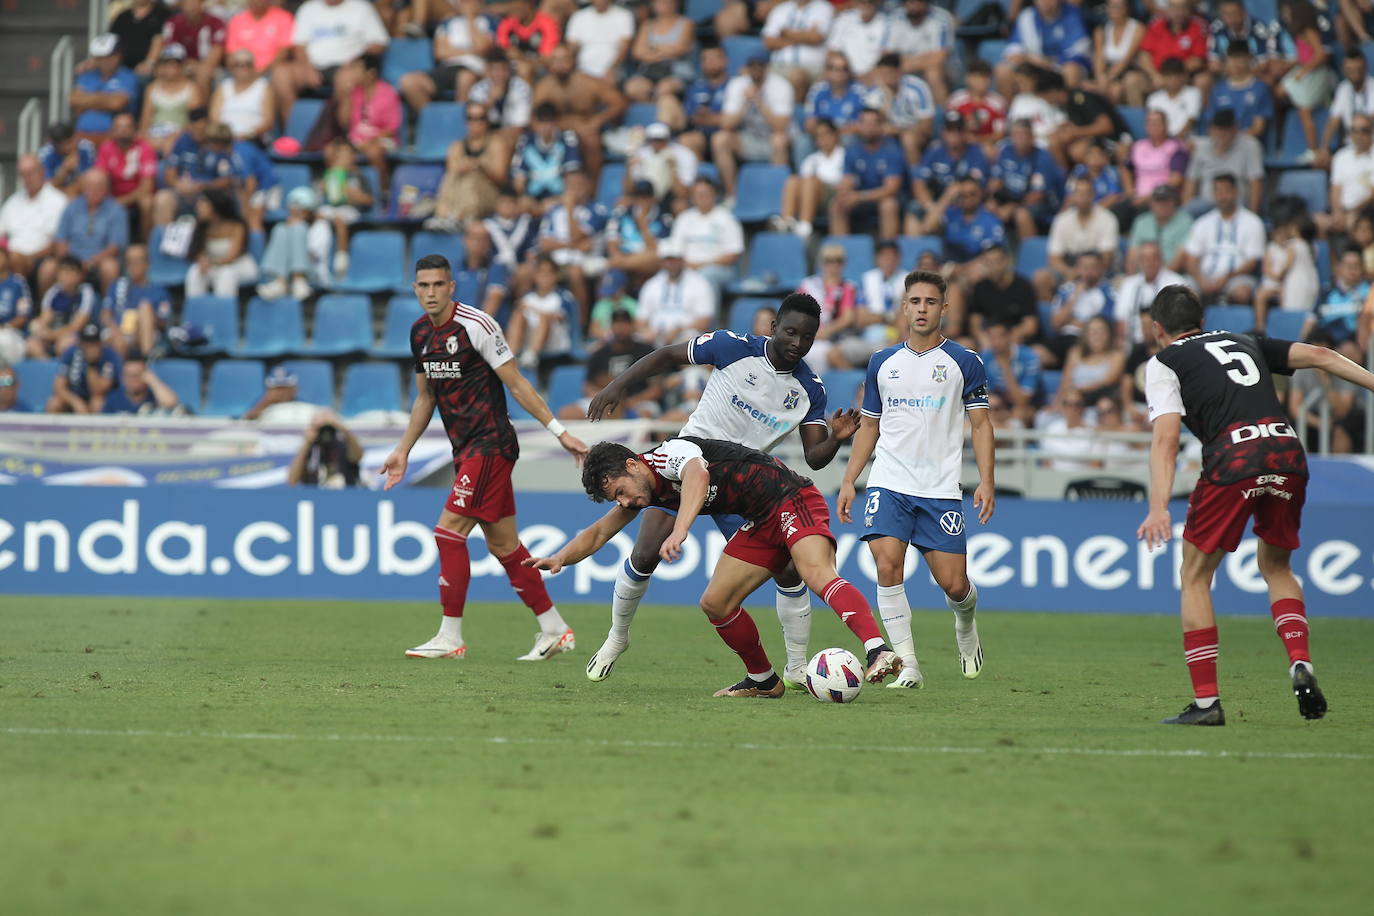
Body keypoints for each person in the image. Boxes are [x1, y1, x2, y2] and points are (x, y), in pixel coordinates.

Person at [580, 293, 865, 688]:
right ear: (773, 328)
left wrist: (835, 438)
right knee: (645, 552)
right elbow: (666, 356)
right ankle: (616, 638)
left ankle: (796, 667)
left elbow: (815, 457)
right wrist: (617, 387)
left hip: (741, 485)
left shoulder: (809, 389)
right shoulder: (733, 347)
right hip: (684, 465)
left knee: (787, 567)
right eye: (791, 332)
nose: (797, 343)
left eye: (808, 336)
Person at [1137, 284, 1374, 725]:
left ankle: (1207, 704)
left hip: (1234, 457)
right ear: (1202, 322)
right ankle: (1299, 660)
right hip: (1287, 451)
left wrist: (1158, 506)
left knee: (1194, 576)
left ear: (1156, 329)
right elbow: (1322, 356)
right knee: (1278, 567)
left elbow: (1166, 439)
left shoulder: (1164, 362)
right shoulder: (1244, 341)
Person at [531, 427, 900, 698]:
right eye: (618, 499)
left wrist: (680, 529)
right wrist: (561, 557)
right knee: (715, 602)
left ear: (632, 464)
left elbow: (698, 474)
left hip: (791, 497)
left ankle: (877, 649)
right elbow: (598, 533)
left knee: (816, 573)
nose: (624, 503)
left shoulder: (666, 456)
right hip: (759, 521)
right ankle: (763, 680)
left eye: (621, 492)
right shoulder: (641, 489)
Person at [381, 254, 589, 662]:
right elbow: (426, 397)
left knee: (447, 533)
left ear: (452, 286)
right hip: (466, 450)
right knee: (505, 545)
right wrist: (402, 450)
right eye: (423, 286)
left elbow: (517, 383)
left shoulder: (477, 325)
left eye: (438, 285)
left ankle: (449, 637)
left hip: (491, 444)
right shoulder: (420, 333)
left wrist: (559, 432)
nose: (431, 293)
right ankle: (554, 629)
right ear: (415, 290)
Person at [837, 269, 996, 688]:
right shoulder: (881, 362)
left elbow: (980, 425)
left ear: (943, 308)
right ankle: (909, 664)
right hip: (889, 482)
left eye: (930, 302)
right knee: (887, 566)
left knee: (954, 584)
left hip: (940, 489)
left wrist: (986, 480)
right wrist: (851, 478)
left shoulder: (964, 362)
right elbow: (869, 425)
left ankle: (966, 625)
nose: (921, 309)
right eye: (914, 302)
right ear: (904, 307)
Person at [272, 0, 389, 125]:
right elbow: (299, 46)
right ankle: (293, 133)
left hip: (348, 66)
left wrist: (355, 61)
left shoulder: (361, 7)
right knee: (280, 74)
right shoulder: (309, 8)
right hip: (312, 66)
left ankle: (339, 135)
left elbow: (379, 43)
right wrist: (308, 69)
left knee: (346, 80)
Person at [531, 43, 626, 179]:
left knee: (592, 140)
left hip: (585, 129)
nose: (560, 64)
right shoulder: (544, 88)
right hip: (557, 132)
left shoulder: (588, 83)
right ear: (550, 64)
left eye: (565, 59)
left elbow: (619, 102)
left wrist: (597, 121)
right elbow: (534, 116)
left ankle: (593, 190)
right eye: (556, 60)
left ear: (573, 61)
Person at [714, 52, 794, 201]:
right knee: (720, 139)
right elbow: (727, 125)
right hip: (749, 138)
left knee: (778, 140)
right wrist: (745, 102)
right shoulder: (737, 84)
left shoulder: (781, 86)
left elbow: (780, 127)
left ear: (767, 67)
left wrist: (758, 100)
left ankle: (776, 199)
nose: (756, 70)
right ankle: (732, 196)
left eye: (760, 66)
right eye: (752, 66)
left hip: (774, 139)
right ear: (747, 68)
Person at [557, 308, 661, 420]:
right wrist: (602, 398)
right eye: (617, 323)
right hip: (604, 400)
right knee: (567, 413)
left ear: (632, 326)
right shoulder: (599, 354)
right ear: (611, 326)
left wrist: (631, 401)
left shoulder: (646, 351)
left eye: (625, 323)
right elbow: (587, 386)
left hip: (638, 401)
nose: (621, 327)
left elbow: (656, 389)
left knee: (644, 416)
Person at [1180, 173, 1265, 305]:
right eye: (1218, 191)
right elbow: (1191, 258)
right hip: (1203, 277)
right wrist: (1200, 278)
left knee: (1241, 292)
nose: (1222, 196)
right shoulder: (1202, 222)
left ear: (1236, 192)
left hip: (1236, 277)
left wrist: (1227, 277)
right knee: (1181, 293)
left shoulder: (1253, 222)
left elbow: (1252, 262)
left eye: (1226, 191)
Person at [399, 0, 492, 110]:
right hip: (447, 68)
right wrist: (471, 50)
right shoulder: (448, 22)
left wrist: (470, 19)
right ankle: (432, 120)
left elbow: (484, 47)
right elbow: (440, 52)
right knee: (408, 81)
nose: (466, 4)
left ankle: (458, 120)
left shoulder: (488, 21)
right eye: (463, 2)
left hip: (473, 69)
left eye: (470, 2)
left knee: (465, 78)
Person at [827, 107, 903, 240]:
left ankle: (888, 249)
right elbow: (848, 179)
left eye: (873, 123)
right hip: (861, 197)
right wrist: (844, 192)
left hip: (883, 198)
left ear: (881, 126)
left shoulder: (892, 150)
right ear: (859, 126)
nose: (869, 127)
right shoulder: (852, 150)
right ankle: (840, 252)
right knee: (837, 203)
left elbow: (891, 189)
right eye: (865, 123)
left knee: (888, 205)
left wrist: (860, 197)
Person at [54, 170, 128, 294]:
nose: (94, 190)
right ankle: (49, 306)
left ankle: (107, 308)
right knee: (49, 268)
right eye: (90, 186)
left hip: (99, 261)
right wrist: (68, 263)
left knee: (110, 267)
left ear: (106, 189)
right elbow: (61, 239)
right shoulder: (71, 207)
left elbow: (114, 247)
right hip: (72, 260)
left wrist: (90, 262)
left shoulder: (116, 210)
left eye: (99, 186)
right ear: (83, 187)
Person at [666, 177, 743, 296]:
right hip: (686, 267)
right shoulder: (684, 218)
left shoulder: (727, 218)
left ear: (714, 194)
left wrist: (701, 265)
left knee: (706, 275)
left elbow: (732, 254)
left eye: (705, 193)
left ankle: (708, 314)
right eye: (697, 194)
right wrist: (685, 265)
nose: (701, 197)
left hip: (719, 269)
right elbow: (675, 249)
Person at [988, 117, 1063, 239]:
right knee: (988, 209)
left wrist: (1012, 207)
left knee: (1021, 215)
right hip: (1010, 198)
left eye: (1023, 134)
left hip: (1041, 204)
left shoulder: (1042, 157)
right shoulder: (1005, 151)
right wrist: (991, 200)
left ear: (1031, 136)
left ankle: (1028, 255)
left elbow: (1037, 195)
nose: (1019, 139)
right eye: (1015, 134)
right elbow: (996, 182)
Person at [0, 155, 70, 284]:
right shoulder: (13, 201)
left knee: (46, 266)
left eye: (31, 172)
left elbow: (55, 242)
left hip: (41, 257)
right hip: (11, 256)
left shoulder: (58, 201)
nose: (28, 178)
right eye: (23, 174)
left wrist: (28, 258)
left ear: (42, 171)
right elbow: (2, 232)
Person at [632, 240, 714, 347]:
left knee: (689, 339)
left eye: (675, 259)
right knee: (635, 340)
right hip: (655, 335)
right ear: (662, 262)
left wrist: (679, 329)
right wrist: (648, 332)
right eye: (668, 260)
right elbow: (640, 321)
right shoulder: (651, 284)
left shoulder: (699, 283)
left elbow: (704, 322)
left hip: (686, 335)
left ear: (682, 260)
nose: (671, 264)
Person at [775, 118, 845, 238]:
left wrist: (819, 182)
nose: (823, 139)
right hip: (811, 196)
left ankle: (805, 226)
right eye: (819, 136)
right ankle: (787, 222)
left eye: (826, 134)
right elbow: (802, 183)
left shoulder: (845, 155)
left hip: (834, 197)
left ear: (835, 135)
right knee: (793, 180)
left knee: (811, 181)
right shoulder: (811, 159)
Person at [259, 186, 330, 300]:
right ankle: (280, 282)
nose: (296, 214)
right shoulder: (286, 227)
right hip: (287, 272)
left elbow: (314, 255)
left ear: (310, 210)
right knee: (280, 228)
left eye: (300, 211)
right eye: (292, 210)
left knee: (299, 228)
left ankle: (299, 280)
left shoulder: (320, 226)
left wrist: (297, 229)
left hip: (313, 272)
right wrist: (290, 230)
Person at [96, 113, 159, 241]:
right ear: (112, 131)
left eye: (127, 127)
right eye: (119, 127)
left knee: (147, 202)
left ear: (135, 129)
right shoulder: (106, 148)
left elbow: (147, 187)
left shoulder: (145, 148)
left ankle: (145, 243)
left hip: (136, 196)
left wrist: (121, 201)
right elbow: (100, 178)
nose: (123, 130)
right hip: (112, 196)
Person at [102, 244, 172, 357]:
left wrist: (145, 320)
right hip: (117, 332)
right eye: (129, 262)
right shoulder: (117, 285)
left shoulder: (159, 290)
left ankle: (146, 359)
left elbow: (163, 322)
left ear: (147, 263)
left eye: (137, 261)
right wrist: (116, 331)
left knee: (145, 307)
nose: (132, 266)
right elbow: (105, 315)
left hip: (145, 334)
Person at [508, 255, 577, 370]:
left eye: (549, 272)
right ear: (535, 276)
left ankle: (531, 355)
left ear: (556, 276)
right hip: (528, 341)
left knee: (544, 318)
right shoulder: (527, 297)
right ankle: (509, 358)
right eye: (541, 272)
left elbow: (558, 317)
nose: (545, 276)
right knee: (518, 315)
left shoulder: (564, 297)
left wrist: (531, 308)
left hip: (555, 345)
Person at [185, 189, 257, 298]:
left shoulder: (237, 226)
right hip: (214, 266)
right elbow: (198, 251)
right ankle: (196, 310)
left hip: (239, 266)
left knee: (226, 273)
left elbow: (232, 257)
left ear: (214, 207)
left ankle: (223, 312)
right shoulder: (201, 227)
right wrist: (202, 261)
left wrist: (211, 263)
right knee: (194, 271)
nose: (197, 208)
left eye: (202, 205)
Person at [1116, 240, 1188, 345]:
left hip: (1167, 344)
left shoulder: (1176, 283)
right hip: (1134, 345)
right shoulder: (1129, 284)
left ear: (1161, 259)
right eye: (1144, 258)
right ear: (1139, 261)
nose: (1149, 262)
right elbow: (1121, 321)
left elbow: (1181, 322)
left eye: (1153, 257)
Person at [71, 34, 140, 139]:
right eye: (99, 57)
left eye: (107, 57)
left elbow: (117, 103)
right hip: (82, 135)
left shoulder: (127, 76)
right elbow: (73, 100)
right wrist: (107, 99)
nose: (103, 61)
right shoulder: (87, 75)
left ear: (118, 56)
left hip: (114, 139)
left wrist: (87, 100)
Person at [26, 257, 97, 359]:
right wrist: (42, 329)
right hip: (54, 332)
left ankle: (62, 370)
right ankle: (48, 366)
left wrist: (52, 335)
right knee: (31, 342)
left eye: (71, 271)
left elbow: (77, 326)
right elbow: (45, 317)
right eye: (63, 271)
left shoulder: (86, 292)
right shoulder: (53, 292)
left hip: (75, 335)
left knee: (64, 344)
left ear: (80, 275)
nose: (66, 275)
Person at [48, 322, 121, 414]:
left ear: (100, 343)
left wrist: (91, 365)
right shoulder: (71, 352)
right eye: (86, 344)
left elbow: (98, 391)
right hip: (74, 396)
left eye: (93, 343)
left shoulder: (109, 356)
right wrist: (75, 402)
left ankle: (96, 428)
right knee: (54, 403)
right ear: (81, 343)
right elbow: (59, 386)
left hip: (96, 398)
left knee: (97, 403)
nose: (90, 348)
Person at [140, 47, 201, 156]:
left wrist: (175, 137)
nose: (171, 68)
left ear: (182, 66)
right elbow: (145, 121)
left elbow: (194, 122)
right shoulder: (152, 88)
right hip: (154, 134)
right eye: (167, 64)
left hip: (179, 135)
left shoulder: (192, 89)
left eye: (175, 64)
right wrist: (148, 139)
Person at [1090, 0, 1147, 107]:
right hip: (1108, 72)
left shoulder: (1138, 28)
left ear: (1127, 8)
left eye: (1118, 6)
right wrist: (1101, 77)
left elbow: (1127, 58)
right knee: (1087, 87)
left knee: (1116, 90)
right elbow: (1099, 57)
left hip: (1129, 70)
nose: (1114, 10)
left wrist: (1109, 78)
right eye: (1111, 6)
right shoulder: (1101, 30)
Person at [212, 50, 276, 143]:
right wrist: (227, 135)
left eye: (247, 64)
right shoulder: (223, 87)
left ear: (253, 66)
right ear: (231, 68)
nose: (243, 68)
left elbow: (268, 122)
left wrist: (246, 135)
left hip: (253, 139)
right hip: (224, 140)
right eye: (238, 64)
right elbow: (214, 118)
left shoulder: (263, 86)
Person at [1127, 184, 1193, 273]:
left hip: (1174, 276)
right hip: (1143, 276)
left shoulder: (1185, 221)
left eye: (1166, 201)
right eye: (1158, 201)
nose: (1162, 205)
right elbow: (1133, 254)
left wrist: (1161, 278)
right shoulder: (1141, 221)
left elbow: (1182, 256)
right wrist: (1132, 279)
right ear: (1151, 203)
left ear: (1175, 202)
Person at [1327, 113, 1374, 235]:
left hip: (1366, 211)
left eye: (1364, 130)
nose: (1359, 135)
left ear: (1371, 132)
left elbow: (1372, 195)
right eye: (1354, 130)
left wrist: (1353, 212)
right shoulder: (1341, 156)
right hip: (1343, 211)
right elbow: (1335, 189)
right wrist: (1337, 212)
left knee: (1354, 224)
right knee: (1315, 223)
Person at [565, 0, 636, 81]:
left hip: (613, 69)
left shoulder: (624, 15)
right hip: (582, 69)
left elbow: (624, 48)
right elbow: (571, 47)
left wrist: (613, 68)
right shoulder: (578, 16)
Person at [289, 410, 364, 487]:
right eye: (319, 428)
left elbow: (358, 456)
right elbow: (292, 480)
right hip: (317, 496)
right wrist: (307, 443)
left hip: (344, 495)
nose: (325, 432)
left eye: (327, 427)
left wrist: (342, 428)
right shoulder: (310, 449)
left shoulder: (344, 445)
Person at [226, 0, 296, 77]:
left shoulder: (284, 17)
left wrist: (261, 72)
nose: (256, 2)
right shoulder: (237, 20)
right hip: (242, 71)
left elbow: (284, 51)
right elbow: (231, 53)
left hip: (272, 70)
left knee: (281, 75)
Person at [826, 0, 890, 82]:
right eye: (863, 2)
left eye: (870, 2)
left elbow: (886, 56)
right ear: (856, 2)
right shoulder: (844, 19)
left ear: (877, 2)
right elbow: (832, 51)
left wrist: (867, 76)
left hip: (873, 78)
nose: (867, 5)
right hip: (845, 76)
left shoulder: (886, 23)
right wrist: (844, 73)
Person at [101, 350, 180, 414]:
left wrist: (153, 381)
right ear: (123, 378)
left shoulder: (153, 398)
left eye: (136, 375)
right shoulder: (114, 400)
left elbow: (171, 403)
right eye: (129, 376)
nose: (132, 380)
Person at [110, 0, 172, 78]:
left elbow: (160, 40)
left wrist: (149, 63)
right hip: (121, 67)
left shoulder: (162, 14)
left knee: (143, 77)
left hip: (151, 68)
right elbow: (111, 42)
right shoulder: (123, 16)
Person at [1147, 57, 1202, 140]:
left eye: (1176, 76)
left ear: (1184, 76)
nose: (1172, 80)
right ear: (1163, 77)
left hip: (1185, 140)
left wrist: (1174, 142)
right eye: (1169, 76)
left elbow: (1191, 120)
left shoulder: (1193, 93)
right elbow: (1152, 125)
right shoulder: (1154, 99)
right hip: (1160, 142)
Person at [37, 122, 98, 198]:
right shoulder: (46, 153)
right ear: (55, 145)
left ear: (75, 137)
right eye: (63, 145)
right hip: (55, 197)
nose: (68, 147)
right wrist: (64, 170)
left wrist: (77, 169)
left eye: (70, 142)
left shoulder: (86, 148)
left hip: (82, 196)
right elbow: (45, 188)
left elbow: (90, 184)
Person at [0, 249, 33, 367]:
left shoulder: (17, 282)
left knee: (3, 340)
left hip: (14, 333)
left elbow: (23, 315)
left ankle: (10, 380)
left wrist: (5, 327)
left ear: (7, 258)